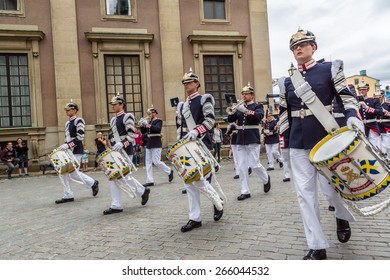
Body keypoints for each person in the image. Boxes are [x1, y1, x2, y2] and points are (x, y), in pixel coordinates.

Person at [278, 28, 364, 260]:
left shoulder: (329, 69)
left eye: (304, 44)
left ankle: (342, 216)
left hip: (326, 139)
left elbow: (346, 96)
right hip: (298, 141)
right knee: (304, 194)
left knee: (331, 191)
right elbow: (285, 113)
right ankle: (317, 245)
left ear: (313, 47)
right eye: (295, 46)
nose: (298, 48)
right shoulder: (287, 81)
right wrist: (284, 142)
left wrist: (353, 116)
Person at [175, 68, 224, 232]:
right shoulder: (182, 105)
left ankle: (217, 202)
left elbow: (210, 120)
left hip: (202, 143)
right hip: (187, 147)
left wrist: (197, 131)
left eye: (189, 82)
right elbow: (180, 127)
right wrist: (179, 144)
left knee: (203, 179)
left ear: (197, 84)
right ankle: (195, 217)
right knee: (189, 181)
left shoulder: (204, 100)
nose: (186, 85)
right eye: (185, 83)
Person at [103, 94, 150, 215]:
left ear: (121, 104)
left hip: (126, 150)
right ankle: (116, 204)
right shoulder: (113, 120)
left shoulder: (127, 116)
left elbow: (132, 135)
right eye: (112, 104)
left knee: (126, 176)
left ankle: (142, 191)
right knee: (113, 177)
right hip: (117, 151)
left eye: (115, 104)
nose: (113, 106)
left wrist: (122, 143)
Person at [227, 83, 271, 201]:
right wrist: (232, 112)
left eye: (246, 94)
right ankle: (245, 191)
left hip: (252, 137)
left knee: (254, 164)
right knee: (241, 166)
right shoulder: (239, 107)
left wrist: (245, 111)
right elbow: (231, 120)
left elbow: (258, 117)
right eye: (243, 94)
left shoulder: (257, 106)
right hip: (240, 138)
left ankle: (266, 178)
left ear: (252, 95)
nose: (244, 96)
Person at [55, 101, 99, 204]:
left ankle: (93, 183)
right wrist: (65, 146)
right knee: (64, 173)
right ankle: (68, 194)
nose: (67, 111)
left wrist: (68, 145)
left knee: (74, 173)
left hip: (76, 150)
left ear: (74, 110)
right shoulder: (67, 123)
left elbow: (80, 137)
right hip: (68, 150)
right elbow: (68, 137)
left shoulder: (79, 121)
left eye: (69, 109)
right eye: (66, 110)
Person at [139, 108, 173, 187]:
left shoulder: (159, 121)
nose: (149, 115)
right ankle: (149, 180)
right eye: (148, 114)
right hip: (149, 143)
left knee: (156, 161)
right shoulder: (149, 122)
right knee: (148, 162)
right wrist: (142, 125)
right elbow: (144, 132)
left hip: (156, 142)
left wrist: (147, 125)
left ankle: (169, 171)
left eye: (150, 113)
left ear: (155, 113)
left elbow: (157, 129)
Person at [357, 81, 383, 149]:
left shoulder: (374, 100)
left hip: (372, 127)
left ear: (367, 90)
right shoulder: (355, 102)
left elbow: (380, 112)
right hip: (361, 128)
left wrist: (367, 108)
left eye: (363, 89)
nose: (361, 91)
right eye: (360, 90)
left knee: (376, 147)